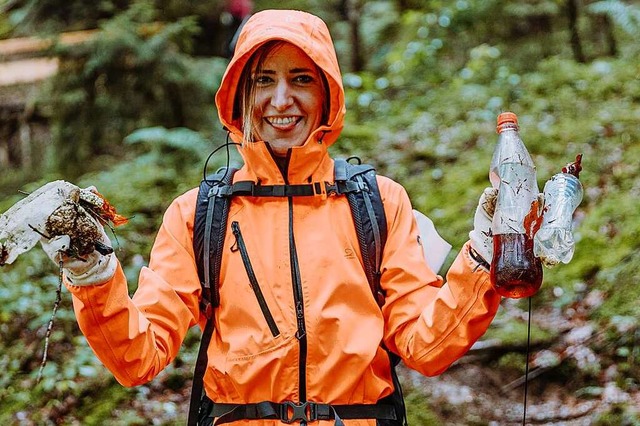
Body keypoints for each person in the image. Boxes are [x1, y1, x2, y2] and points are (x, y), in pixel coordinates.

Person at [41, 9, 504, 426]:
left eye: (301, 78)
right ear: (241, 94)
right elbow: (138, 359)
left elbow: (427, 347)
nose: (281, 100)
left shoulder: (378, 203)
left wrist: (486, 252)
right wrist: (91, 271)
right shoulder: (198, 214)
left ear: (327, 94)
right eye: (264, 80)